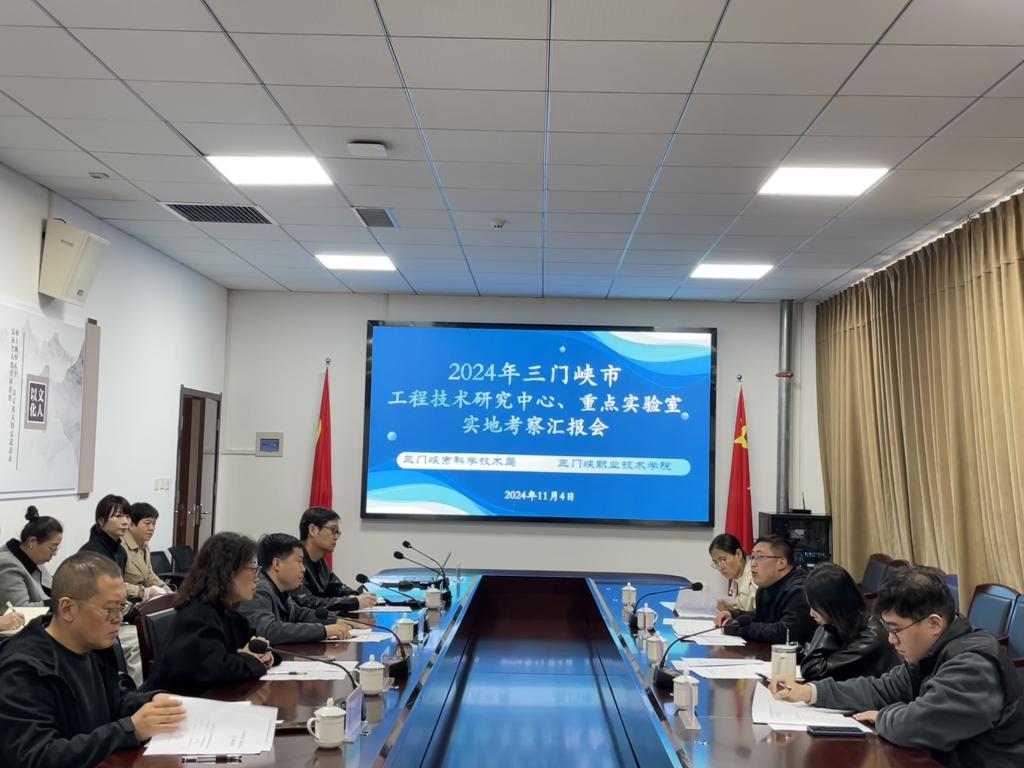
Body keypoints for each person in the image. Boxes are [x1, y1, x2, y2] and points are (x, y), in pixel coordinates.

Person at [771, 567, 1024, 767]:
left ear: (934, 623)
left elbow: (916, 726)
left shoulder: (973, 665)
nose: (891, 640)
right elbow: (883, 688)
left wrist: (883, 716)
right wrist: (811, 692)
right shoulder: (933, 650)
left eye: (896, 629)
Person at [0, 552, 186, 768]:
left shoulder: (94, 647)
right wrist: (129, 730)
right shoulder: (22, 670)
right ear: (68, 608)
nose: (119, 619)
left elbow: (113, 702)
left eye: (122, 607)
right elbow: (37, 757)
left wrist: (154, 702)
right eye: (110, 609)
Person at [145, 532, 276, 695]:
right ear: (228, 573)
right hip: (174, 705)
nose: (257, 578)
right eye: (252, 569)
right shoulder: (198, 615)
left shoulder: (229, 612)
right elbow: (215, 669)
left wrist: (264, 654)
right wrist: (251, 660)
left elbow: (248, 648)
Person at [239, 533, 356, 645]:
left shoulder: (279, 590)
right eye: (299, 562)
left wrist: (334, 620)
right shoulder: (257, 590)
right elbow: (269, 630)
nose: (303, 569)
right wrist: (323, 630)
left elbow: (300, 614)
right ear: (277, 564)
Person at [77, 494, 144, 684]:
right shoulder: (92, 553)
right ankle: (134, 693)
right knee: (141, 641)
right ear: (101, 521)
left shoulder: (119, 551)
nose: (125, 522)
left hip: (116, 616)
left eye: (127, 516)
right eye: (118, 516)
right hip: (98, 621)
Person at [799, 563, 899, 681]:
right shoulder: (850, 623)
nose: (811, 613)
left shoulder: (870, 639)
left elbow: (812, 670)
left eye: (816, 607)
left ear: (834, 605)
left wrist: (828, 625)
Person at [714, 535, 816, 644]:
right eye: (752, 557)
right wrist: (733, 614)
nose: (753, 563)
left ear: (781, 563)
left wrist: (739, 629)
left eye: (759, 557)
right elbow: (762, 618)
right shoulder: (766, 588)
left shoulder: (799, 591)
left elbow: (785, 631)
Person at [293, 507, 377, 614]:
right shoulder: (294, 562)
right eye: (333, 530)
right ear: (313, 530)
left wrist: (359, 596)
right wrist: (353, 602)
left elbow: (337, 587)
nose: (336, 537)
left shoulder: (320, 561)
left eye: (337, 532)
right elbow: (308, 602)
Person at [0, 505, 62, 608]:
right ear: (32, 541)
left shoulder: (32, 557)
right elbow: (21, 609)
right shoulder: (6, 565)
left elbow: (51, 590)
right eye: (52, 547)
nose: (55, 553)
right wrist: (60, 603)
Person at [121, 502, 170, 600]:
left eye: (154, 524)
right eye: (147, 523)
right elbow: (112, 585)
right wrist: (143, 592)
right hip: (123, 601)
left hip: (139, 599)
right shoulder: (120, 547)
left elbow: (148, 573)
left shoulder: (144, 545)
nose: (151, 528)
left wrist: (163, 587)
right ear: (131, 524)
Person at [709, 533, 756, 612]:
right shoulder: (736, 580)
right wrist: (731, 611)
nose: (720, 567)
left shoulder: (755, 580)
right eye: (716, 562)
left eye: (723, 560)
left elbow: (761, 616)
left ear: (738, 554)